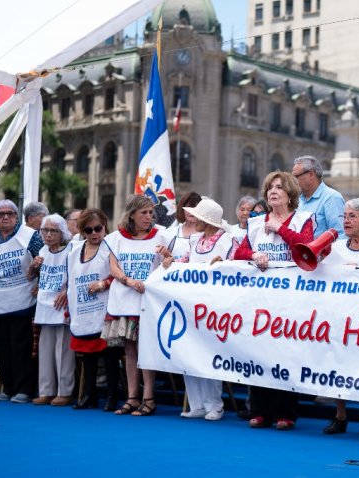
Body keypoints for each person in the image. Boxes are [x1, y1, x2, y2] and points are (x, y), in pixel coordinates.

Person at [234, 171, 314, 429]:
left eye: (279, 187)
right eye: (269, 188)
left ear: (290, 194)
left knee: (285, 353)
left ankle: (285, 413)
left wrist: (281, 229)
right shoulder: (256, 223)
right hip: (261, 298)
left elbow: (306, 246)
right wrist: (255, 253)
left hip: (291, 299)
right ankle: (259, 410)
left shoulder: (303, 219)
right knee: (259, 352)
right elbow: (239, 252)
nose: (273, 192)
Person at [165, 198, 237, 421]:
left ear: (207, 221)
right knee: (190, 354)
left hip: (215, 308)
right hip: (190, 305)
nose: (192, 219)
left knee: (209, 353)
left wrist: (223, 265)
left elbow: (237, 269)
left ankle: (215, 404)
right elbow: (183, 263)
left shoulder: (227, 241)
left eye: (197, 216)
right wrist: (170, 262)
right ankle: (197, 403)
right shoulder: (194, 240)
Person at [103, 195, 169, 416]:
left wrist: (167, 257)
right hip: (125, 299)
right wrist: (129, 281)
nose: (149, 217)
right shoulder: (115, 238)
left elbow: (168, 265)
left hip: (148, 302)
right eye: (144, 213)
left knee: (146, 350)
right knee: (130, 350)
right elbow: (113, 268)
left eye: (151, 213)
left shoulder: (161, 235)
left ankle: (149, 397)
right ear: (132, 214)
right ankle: (132, 396)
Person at [320, 198, 359, 436]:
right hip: (339, 314)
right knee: (338, 361)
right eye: (345, 216)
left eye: (352, 216)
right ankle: (340, 414)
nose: (346, 221)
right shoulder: (337, 247)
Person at [0, 200, 44, 403]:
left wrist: (40, 284)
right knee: (3, 347)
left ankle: (24, 389)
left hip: (24, 296)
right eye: (1, 214)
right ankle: (8, 386)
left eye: (10, 213)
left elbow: (43, 260)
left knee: (21, 347)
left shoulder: (29, 235)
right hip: (0, 298)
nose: (6, 217)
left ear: (16, 217)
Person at [66, 209, 122, 411]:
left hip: (105, 308)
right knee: (86, 356)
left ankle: (112, 396)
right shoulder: (74, 251)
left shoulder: (111, 247)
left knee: (109, 356)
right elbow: (71, 282)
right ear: (83, 231)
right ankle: (88, 395)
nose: (94, 233)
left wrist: (103, 284)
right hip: (82, 309)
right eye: (88, 230)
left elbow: (118, 275)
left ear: (105, 226)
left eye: (98, 228)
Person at [28, 214, 75, 406]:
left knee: (63, 351)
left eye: (53, 231)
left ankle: (64, 391)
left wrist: (67, 291)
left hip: (62, 305)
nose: (47, 234)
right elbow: (30, 277)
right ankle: (46, 390)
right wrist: (32, 267)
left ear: (62, 232)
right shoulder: (42, 251)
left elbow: (77, 274)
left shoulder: (70, 251)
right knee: (45, 350)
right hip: (45, 305)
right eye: (44, 230)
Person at [293, 155, 345, 238]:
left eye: (296, 176)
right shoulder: (298, 200)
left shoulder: (332, 197)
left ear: (311, 174)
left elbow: (340, 235)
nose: (293, 181)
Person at [167, 192, 203, 258]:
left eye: (195, 207)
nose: (191, 211)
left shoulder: (206, 233)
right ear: (182, 209)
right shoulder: (171, 233)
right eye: (188, 207)